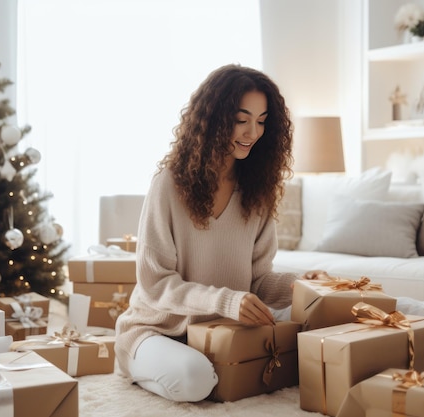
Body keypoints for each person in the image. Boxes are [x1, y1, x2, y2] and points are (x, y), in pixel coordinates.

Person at [115, 64, 319, 402]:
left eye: (262, 121)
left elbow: (256, 281)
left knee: (316, 328)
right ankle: (135, 366)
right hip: (158, 331)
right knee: (196, 380)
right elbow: (155, 283)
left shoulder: (258, 191)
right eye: (242, 120)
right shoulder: (169, 184)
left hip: (221, 333)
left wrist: (300, 285)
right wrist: (225, 300)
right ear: (213, 120)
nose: (253, 132)